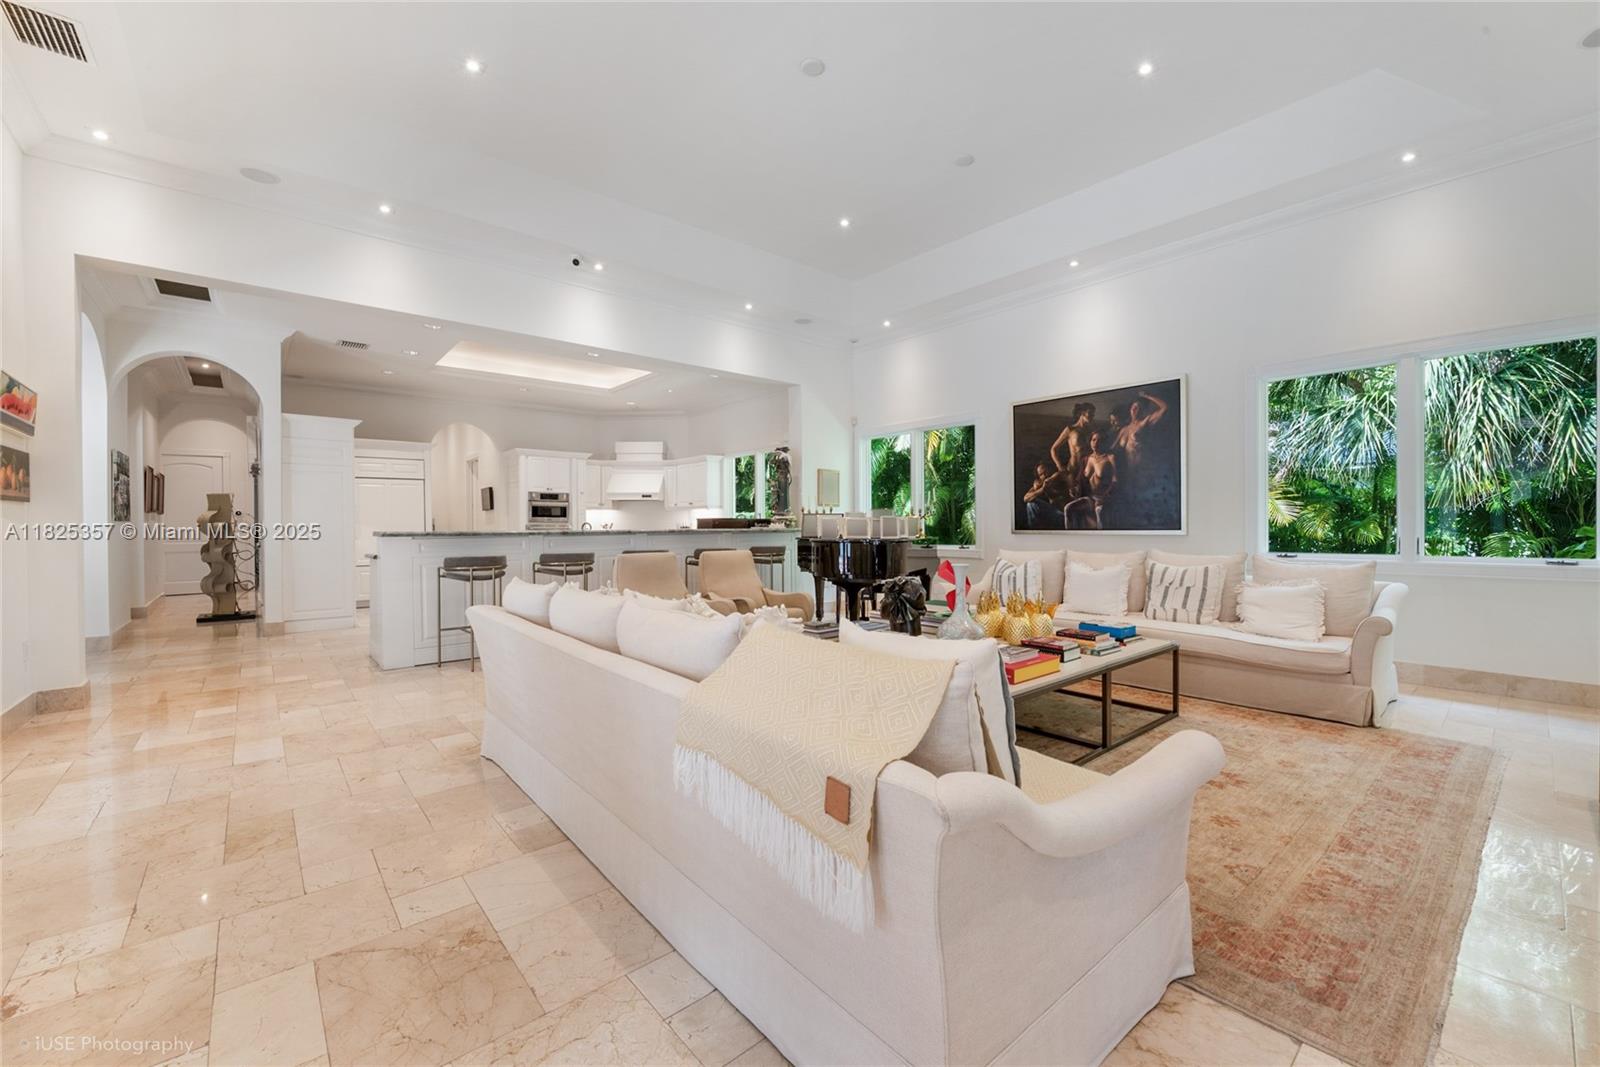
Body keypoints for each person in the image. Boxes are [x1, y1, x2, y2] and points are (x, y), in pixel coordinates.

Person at [1048, 403, 1096, 493]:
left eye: (1093, 414)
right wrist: (1060, 466)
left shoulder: (1091, 431)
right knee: (1072, 495)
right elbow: (1053, 449)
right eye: (1090, 413)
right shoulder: (1070, 430)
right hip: (1073, 470)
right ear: (1082, 413)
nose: (1092, 416)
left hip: (1087, 470)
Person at [1115, 390, 1169, 468]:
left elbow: (1164, 407)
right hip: (1128, 470)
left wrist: (1147, 396)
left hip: (1142, 469)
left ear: (1142, 410)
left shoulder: (1145, 422)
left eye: (1137, 407)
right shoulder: (1124, 429)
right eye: (1133, 407)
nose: (1134, 409)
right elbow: (1112, 449)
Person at [1082, 429, 1118, 528]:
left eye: (1099, 440)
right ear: (1090, 441)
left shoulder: (1110, 458)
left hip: (1104, 497)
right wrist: (1075, 489)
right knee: (1068, 509)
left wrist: (1104, 497)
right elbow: (1081, 480)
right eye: (1093, 440)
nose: (1096, 443)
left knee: (1099, 512)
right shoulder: (1086, 459)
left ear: (1104, 442)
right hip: (1089, 497)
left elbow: (1115, 481)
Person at [1023, 462, 1067, 528]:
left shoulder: (1058, 477)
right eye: (1041, 474)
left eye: (1045, 471)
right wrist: (1042, 489)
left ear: (1050, 469)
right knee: (1031, 505)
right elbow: (1025, 498)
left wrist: (1050, 480)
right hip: (1053, 515)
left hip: (1064, 515)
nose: (1044, 475)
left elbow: (1060, 473)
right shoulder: (1042, 484)